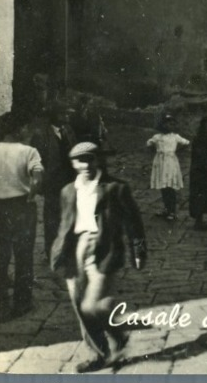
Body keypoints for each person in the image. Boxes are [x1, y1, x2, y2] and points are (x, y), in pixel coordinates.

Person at [51, 141, 147, 373]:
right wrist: (57, 253)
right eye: (79, 160)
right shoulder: (67, 190)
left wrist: (138, 250)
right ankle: (100, 354)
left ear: (98, 159)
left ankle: (117, 336)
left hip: (104, 248)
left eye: (89, 159)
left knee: (92, 305)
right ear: (72, 163)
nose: (85, 165)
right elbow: (64, 224)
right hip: (75, 249)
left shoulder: (115, 188)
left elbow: (134, 222)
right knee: (79, 305)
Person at [0, 113, 44, 322]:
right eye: (26, 128)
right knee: (24, 256)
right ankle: (22, 303)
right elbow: (37, 178)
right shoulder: (29, 151)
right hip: (21, 207)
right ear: (20, 129)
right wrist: (31, 195)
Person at [31, 102, 76, 260]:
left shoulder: (68, 131)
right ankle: (52, 252)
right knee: (51, 218)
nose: (67, 116)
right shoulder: (42, 135)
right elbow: (37, 161)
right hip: (52, 182)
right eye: (64, 113)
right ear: (55, 116)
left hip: (68, 180)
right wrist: (41, 183)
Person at [147, 114, 190, 221]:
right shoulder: (157, 137)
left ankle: (172, 211)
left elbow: (187, 143)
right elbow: (149, 144)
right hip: (160, 163)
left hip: (170, 163)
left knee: (170, 186)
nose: (172, 126)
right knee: (163, 186)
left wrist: (177, 151)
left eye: (174, 124)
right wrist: (156, 152)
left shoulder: (175, 136)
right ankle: (166, 208)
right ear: (163, 125)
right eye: (170, 124)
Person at [188, 117, 207, 230]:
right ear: (203, 127)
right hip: (200, 172)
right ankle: (198, 220)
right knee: (199, 195)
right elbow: (200, 155)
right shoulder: (199, 139)